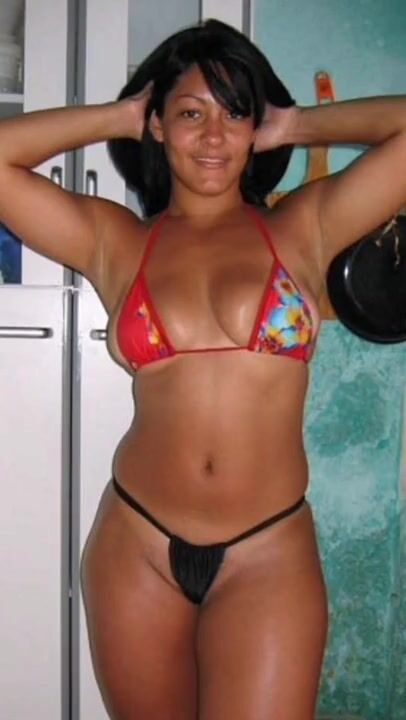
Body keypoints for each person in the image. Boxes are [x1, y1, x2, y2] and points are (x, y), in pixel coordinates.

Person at [0, 17, 405, 720]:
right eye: (190, 114)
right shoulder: (116, 241)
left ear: (254, 127)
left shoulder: (303, 227)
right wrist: (120, 116)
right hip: (138, 547)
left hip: (267, 552)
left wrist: (296, 126)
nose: (214, 136)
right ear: (158, 126)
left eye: (233, 114)